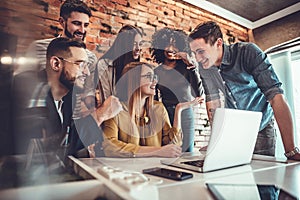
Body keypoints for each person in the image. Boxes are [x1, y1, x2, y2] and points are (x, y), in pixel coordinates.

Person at [188, 21, 300, 160]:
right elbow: (213, 103)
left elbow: (275, 97)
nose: (197, 58)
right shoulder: (205, 67)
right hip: (234, 128)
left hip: (261, 127)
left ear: (218, 43)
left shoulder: (248, 52)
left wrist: (291, 151)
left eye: (201, 51)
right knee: (235, 173)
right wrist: (216, 141)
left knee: (263, 175)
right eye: (194, 53)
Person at [14, 37, 122, 157]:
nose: (87, 72)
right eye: (80, 65)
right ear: (56, 64)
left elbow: (69, 142)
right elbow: (47, 147)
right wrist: (100, 115)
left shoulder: (68, 98)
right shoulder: (31, 87)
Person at [100, 62, 203, 157]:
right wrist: (156, 151)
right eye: (149, 77)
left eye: (154, 77)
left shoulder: (158, 108)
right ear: (134, 79)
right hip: (126, 173)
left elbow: (173, 146)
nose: (154, 81)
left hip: (155, 170)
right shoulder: (115, 110)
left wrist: (178, 110)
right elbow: (109, 147)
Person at [14, 0, 97, 115]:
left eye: (86, 25)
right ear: (62, 22)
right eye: (77, 23)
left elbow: (87, 94)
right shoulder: (39, 48)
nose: (82, 30)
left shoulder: (91, 58)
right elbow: (20, 86)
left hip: (71, 118)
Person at [150, 27, 204, 152]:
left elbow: (198, 93)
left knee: (187, 151)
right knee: (169, 150)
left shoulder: (187, 68)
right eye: (166, 45)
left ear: (181, 48)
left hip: (186, 113)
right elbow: (155, 99)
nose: (169, 49)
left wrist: (191, 66)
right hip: (166, 114)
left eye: (174, 45)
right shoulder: (156, 71)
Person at [96, 24, 143, 102]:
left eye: (140, 44)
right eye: (134, 44)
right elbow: (107, 98)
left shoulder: (137, 68)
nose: (138, 48)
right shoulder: (105, 64)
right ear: (124, 45)